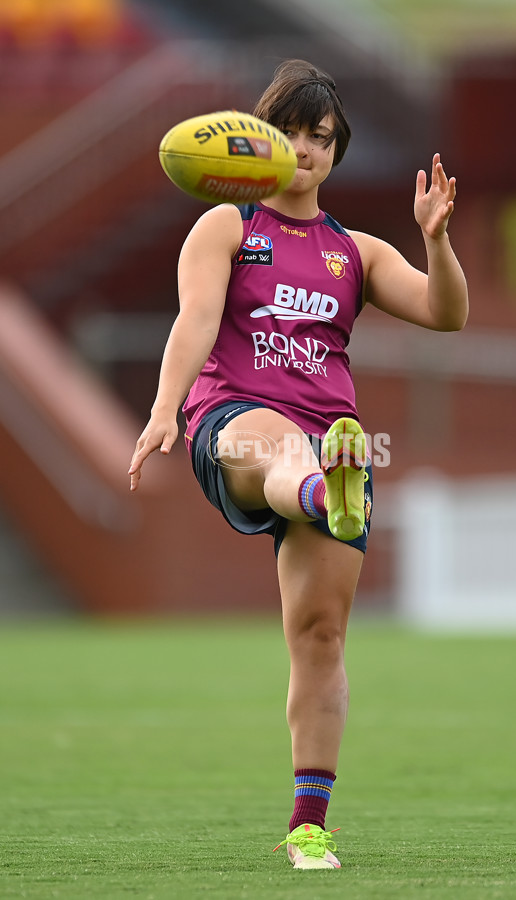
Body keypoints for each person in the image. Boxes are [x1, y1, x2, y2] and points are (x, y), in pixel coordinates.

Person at [128, 59, 468, 870]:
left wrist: (436, 239)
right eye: (291, 132)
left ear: (336, 152)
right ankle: (323, 489)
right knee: (282, 445)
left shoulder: (356, 252)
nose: (306, 150)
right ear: (258, 138)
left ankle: (309, 826)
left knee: (320, 636)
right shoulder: (225, 227)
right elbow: (196, 320)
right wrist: (163, 409)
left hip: (330, 436)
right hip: (233, 423)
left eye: (321, 138)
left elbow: (446, 314)